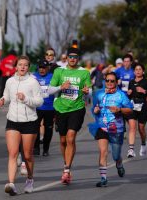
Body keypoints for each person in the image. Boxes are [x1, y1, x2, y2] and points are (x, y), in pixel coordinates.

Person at [0, 56, 43, 196]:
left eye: (25, 65)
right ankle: (11, 183)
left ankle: (29, 180)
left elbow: (39, 101)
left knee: (28, 155)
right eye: (20, 65)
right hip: (12, 120)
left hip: (29, 121)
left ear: (28, 67)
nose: (22, 67)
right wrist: (3, 100)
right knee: (12, 153)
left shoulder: (33, 82)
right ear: (16, 66)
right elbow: (7, 95)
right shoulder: (10, 81)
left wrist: (26, 99)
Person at [48, 47, 91, 185]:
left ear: (78, 59)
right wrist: (61, 87)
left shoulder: (84, 72)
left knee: (70, 137)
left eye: (75, 57)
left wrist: (86, 92)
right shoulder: (59, 71)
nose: (72, 59)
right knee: (62, 140)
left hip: (77, 108)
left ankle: (66, 170)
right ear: (66, 58)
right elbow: (49, 90)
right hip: (60, 108)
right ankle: (66, 163)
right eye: (70, 57)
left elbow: (90, 91)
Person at [89, 72, 133, 187]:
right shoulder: (98, 94)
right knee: (103, 152)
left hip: (116, 129)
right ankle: (103, 178)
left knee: (115, 156)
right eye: (107, 80)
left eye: (112, 81)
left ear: (116, 82)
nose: (109, 83)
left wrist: (119, 110)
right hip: (102, 127)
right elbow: (94, 108)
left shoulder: (121, 95)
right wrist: (95, 110)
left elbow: (130, 110)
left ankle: (119, 164)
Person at [126, 64, 147, 156]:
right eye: (136, 69)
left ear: (143, 71)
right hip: (133, 106)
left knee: (141, 128)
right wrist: (129, 93)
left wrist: (144, 91)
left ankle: (143, 143)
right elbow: (130, 95)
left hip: (143, 107)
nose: (138, 71)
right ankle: (131, 149)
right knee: (132, 127)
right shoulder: (131, 82)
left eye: (140, 69)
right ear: (134, 72)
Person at [33, 59, 55, 157]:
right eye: (40, 68)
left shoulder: (52, 77)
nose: (42, 70)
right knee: (35, 128)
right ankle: (36, 148)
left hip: (50, 108)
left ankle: (46, 149)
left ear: (48, 68)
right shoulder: (33, 76)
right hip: (37, 107)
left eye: (44, 68)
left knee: (49, 129)